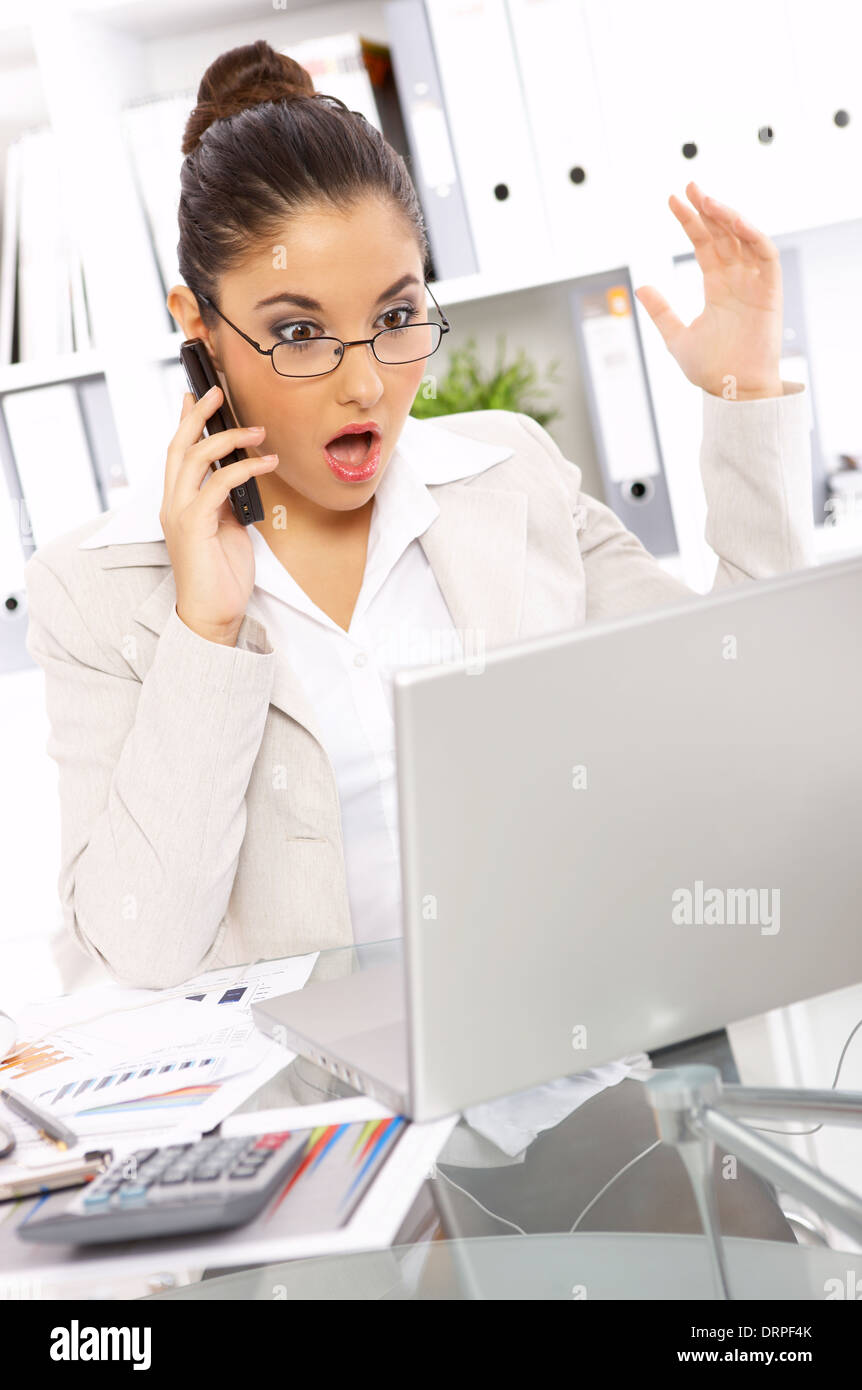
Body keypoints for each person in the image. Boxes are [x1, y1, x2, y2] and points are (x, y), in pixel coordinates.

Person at [25, 39, 813, 995]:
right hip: (314, 1125)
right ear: (200, 329)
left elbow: (745, 714)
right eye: (298, 332)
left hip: (552, 1073)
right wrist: (207, 628)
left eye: (397, 316)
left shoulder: (510, 474)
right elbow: (140, 950)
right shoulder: (92, 590)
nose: (366, 385)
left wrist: (746, 392)